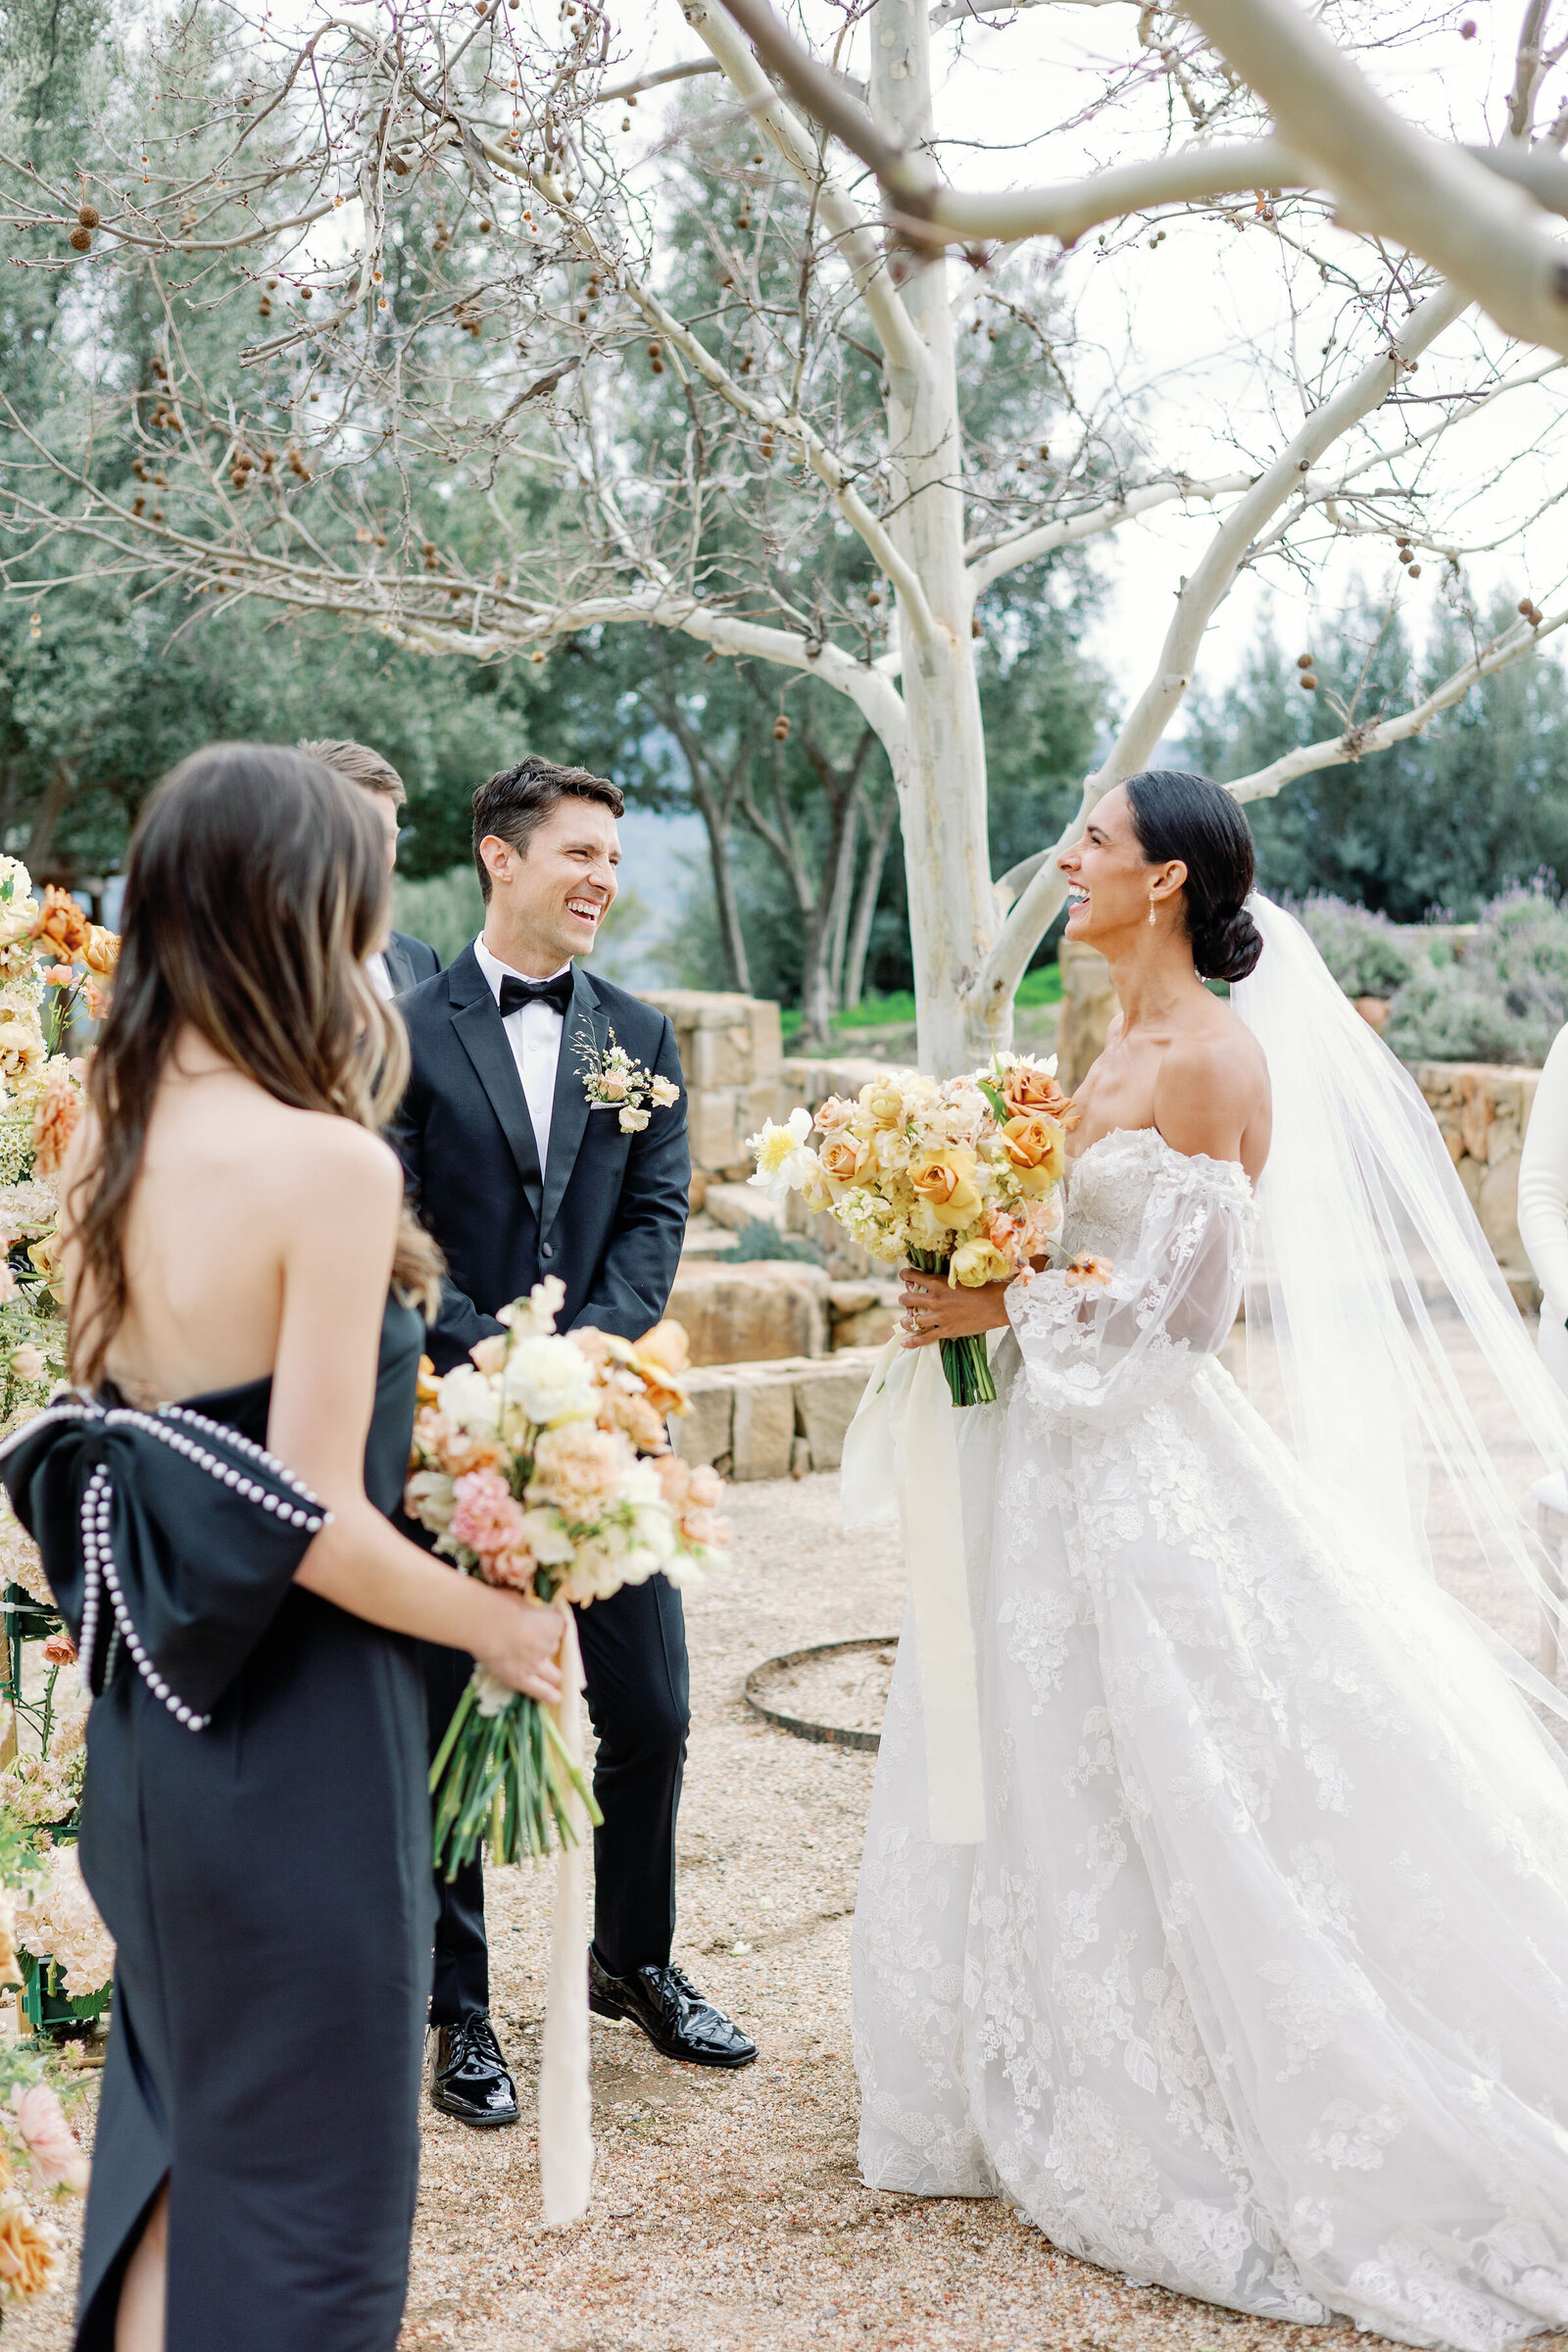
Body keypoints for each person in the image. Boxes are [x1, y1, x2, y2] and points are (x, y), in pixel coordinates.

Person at [853, 769, 1568, 2349]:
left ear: (1167, 880)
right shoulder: (1106, 1037)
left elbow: (1185, 1324)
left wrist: (1003, 1309)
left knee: (1206, 1769)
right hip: (1049, 1460)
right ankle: (1053, 2045)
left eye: (1093, 841)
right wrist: (975, 1257)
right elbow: (1090, 1257)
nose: (1068, 859)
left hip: (1143, 1472)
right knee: (1065, 1764)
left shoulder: (1211, 1057)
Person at [0, 745, 565, 2352]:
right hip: (306, 1736)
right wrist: (495, 1622)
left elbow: (142, 1437)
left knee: (184, 2141)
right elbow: (309, 1515)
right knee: (313, 2177)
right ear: (298, 914)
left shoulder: (97, 1139)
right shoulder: (329, 1165)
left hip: (157, 1736)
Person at [395, 754, 756, 2131]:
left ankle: (633, 1960)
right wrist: (493, 1356)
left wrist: (591, 1358)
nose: (605, 876)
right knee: (448, 1717)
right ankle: (459, 2005)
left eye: (614, 855)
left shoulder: (640, 1041)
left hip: (608, 1423)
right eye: (581, 853)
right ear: (501, 856)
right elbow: (398, 1220)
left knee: (652, 1709)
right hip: (458, 1420)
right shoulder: (410, 1032)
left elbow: (657, 1213)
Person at [297, 738, 440, 996]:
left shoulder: (422, 960)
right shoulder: (257, 960)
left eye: (385, 836)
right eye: (358, 832)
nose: (372, 854)